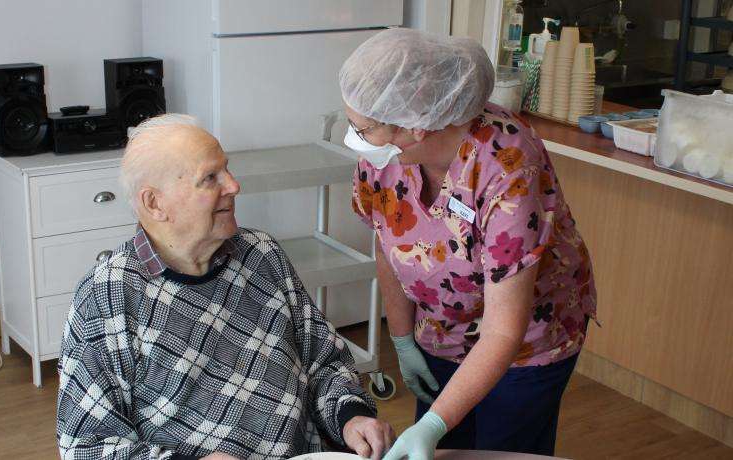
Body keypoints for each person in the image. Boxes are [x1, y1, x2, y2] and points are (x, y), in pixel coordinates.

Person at [56, 114, 395, 460]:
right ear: (154, 203)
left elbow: (325, 361)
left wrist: (350, 417)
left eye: (227, 170)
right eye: (210, 178)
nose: (233, 186)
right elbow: (86, 446)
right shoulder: (106, 296)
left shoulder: (262, 256)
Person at [338, 28, 597, 459]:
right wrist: (402, 339)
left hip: (526, 342)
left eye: (364, 128)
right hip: (442, 331)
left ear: (415, 127)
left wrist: (433, 424)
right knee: (443, 450)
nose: (356, 139)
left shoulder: (508, 167)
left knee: (502, 450)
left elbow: (503, 330)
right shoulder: (381, 160)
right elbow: (388, 243)